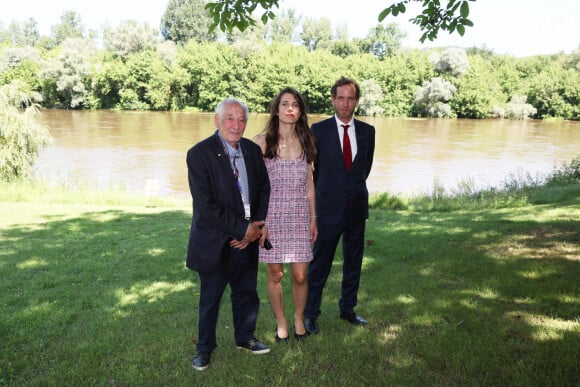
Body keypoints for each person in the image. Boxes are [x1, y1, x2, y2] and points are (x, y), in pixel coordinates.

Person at [186, 98, 271, 371]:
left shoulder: (251, 150)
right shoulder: (199, 154)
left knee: (246, 293)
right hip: (215, 242)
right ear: (217, 120)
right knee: (210, 300)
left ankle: (245, 338)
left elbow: (264, 188)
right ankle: (204, 349)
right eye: (230, 119)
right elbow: (207, 205)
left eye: (241, 119)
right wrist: (241, 229)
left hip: (247, 240)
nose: (236, 125)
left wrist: (254, 228)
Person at [304, 76, 375, 334]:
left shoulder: (368, 132)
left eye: (351, 98)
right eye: (341, 98)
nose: (346, 104)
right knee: (320, 264)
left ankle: (348, 309)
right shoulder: (318, 131)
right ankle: (310, 314)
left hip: (356, 208)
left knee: (353, 262)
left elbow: (363, 170)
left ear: (357, 101)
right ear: (333, 99)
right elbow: (313, 171)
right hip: (327, 209)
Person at [253, 87, 318, 343]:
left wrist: (314, 218)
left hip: (301, 217)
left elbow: (310, 184)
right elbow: (255, 187)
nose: (290, 108)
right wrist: (260, 222)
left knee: (300, 276)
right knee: (275, 274)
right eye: (284, 104)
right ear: (276, 109)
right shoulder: (261, 141)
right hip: (272, 218)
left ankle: (298, 318)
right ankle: (281, 322)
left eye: (295, 104)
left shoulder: (307, 141)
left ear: (300, 111)